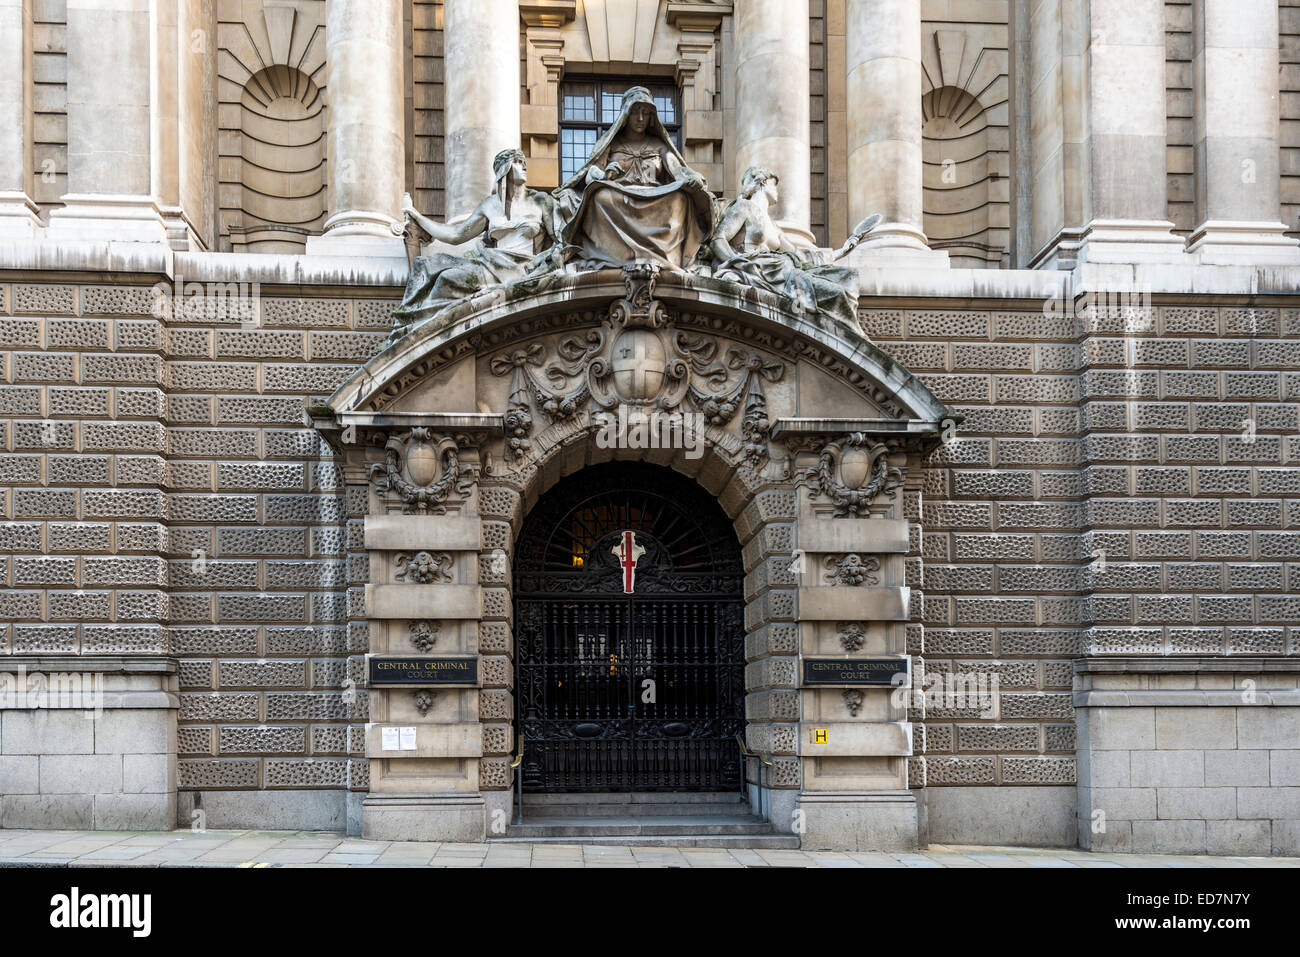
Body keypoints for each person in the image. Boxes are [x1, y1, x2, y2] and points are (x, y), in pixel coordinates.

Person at [392, 149, 559, 331]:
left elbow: (560, 240)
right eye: (518, 162)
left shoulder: (541, 201)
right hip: (492, 265)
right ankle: (421, 330)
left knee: (447, 278)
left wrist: (548, 261)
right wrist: (418, 217)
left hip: (524, 269)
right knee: (446, 278)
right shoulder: (490, 205)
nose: (524, 167)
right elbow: (456, 235)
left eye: (523, 162)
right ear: (504, 169)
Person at [554, 87, 714, 270]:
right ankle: (617, 256)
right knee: (600, 197)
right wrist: (605, 174)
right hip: (619, 194)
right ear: (626, 114)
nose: (640, 118)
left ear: (651, 116)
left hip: (655, 195)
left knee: (680, 199)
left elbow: (677, 170)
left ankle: (664, 258)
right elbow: (591, 173)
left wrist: (693, 176)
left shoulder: (659, 145)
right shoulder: (611, 144)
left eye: (645, 113)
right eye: (635, 112)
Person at [703, 166, 879, 328]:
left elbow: (799, 255)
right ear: (763, 183)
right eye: (775, 186)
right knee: (835, 295)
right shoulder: (744, 207)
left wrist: (842, 251)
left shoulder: (774, 226)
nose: (777, 191)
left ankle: (848, 335)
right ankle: (842, 335)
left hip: (783, 269)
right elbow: (719, 239)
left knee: (848, 276)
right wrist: (735, 261)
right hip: (761, 270)